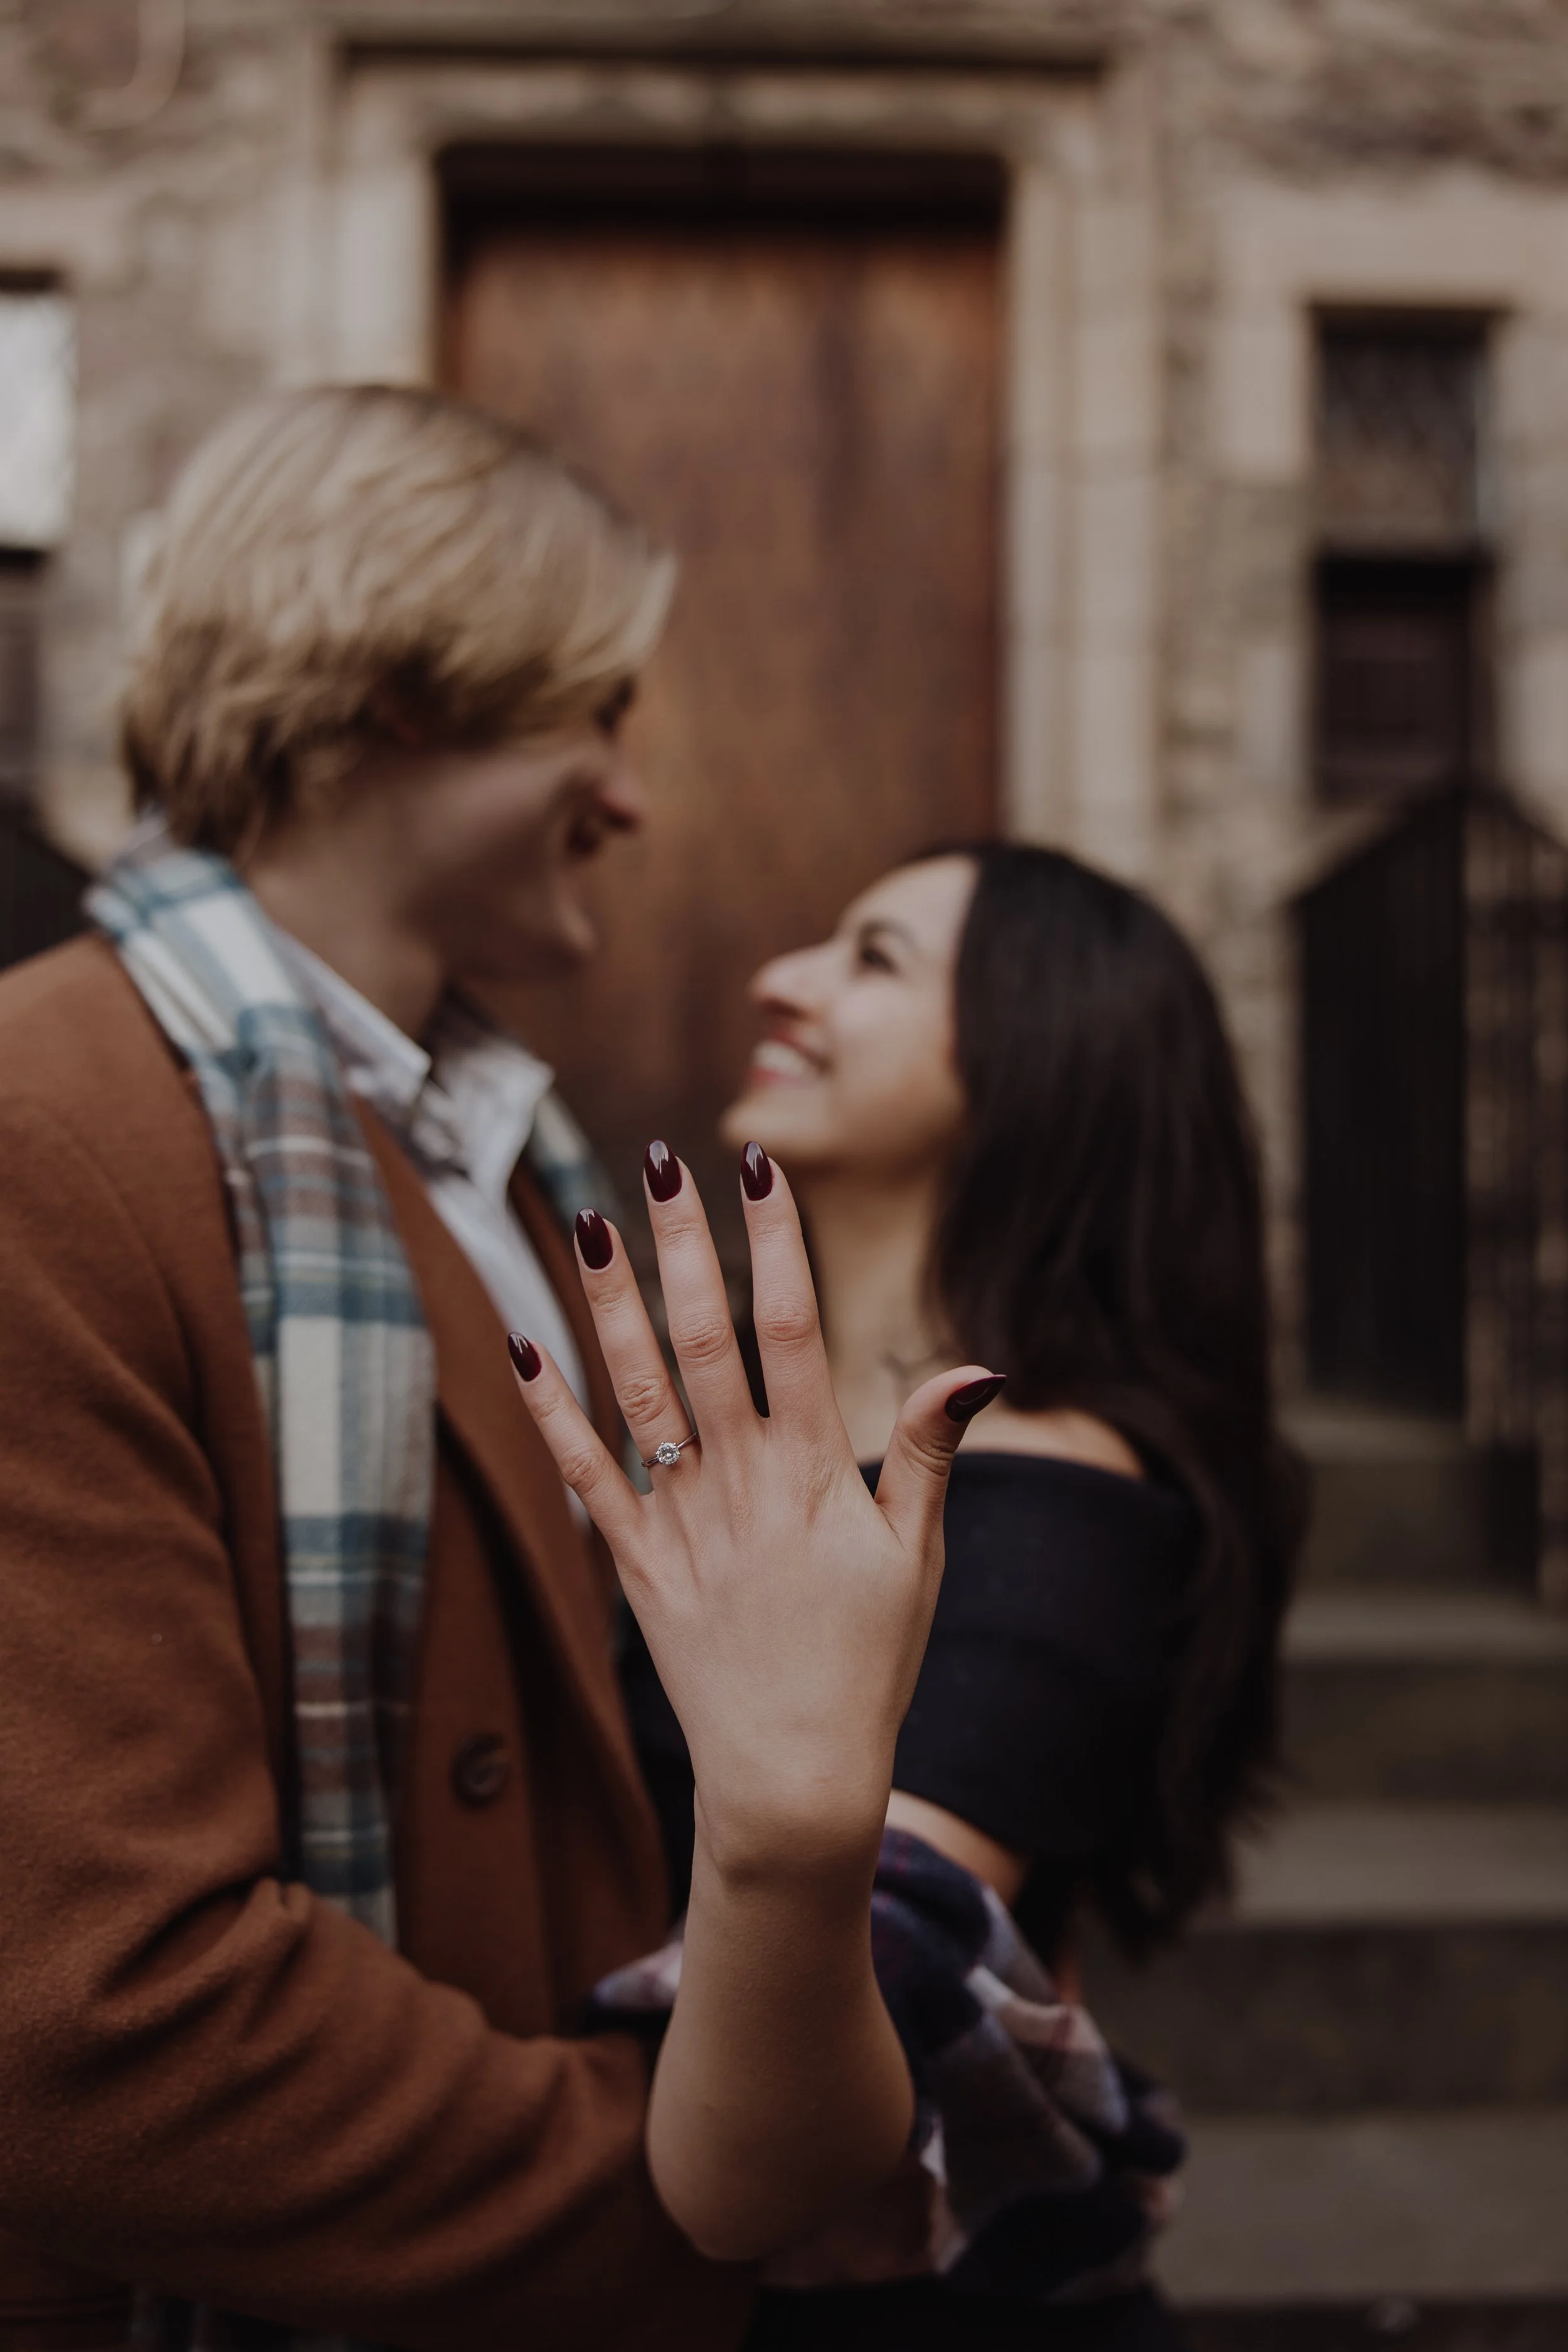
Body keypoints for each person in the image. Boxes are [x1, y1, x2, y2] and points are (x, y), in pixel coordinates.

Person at [0, 386, 999, 2352]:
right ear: (403, 692)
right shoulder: (50, 1119)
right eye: (594, 709)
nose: (631, 791)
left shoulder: (503, 1153)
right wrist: (688, 2210)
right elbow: (98, 2013)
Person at [619, 844, 1304, 2349]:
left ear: (1033, 1061)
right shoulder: (750, 1433)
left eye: (868, 960)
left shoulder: (1052, 1497)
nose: (777, 978)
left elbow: (858, 1982)